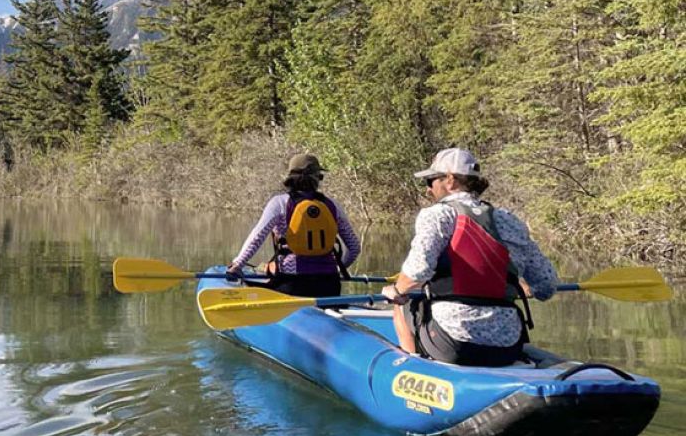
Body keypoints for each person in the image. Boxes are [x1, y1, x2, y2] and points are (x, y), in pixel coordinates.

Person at [381, 147, 557, 366]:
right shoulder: (509, 221)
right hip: (508, 345)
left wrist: (395, 291)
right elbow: (547, 286)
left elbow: (418, 272)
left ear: (450, 180)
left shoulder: (437, 215)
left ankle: (410, 368)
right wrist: (524, 287)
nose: (428, 190)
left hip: (454, 343)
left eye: (431, 181)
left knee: (402, 301)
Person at [226, 152, 361, 298]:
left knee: (261, 285)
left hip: (292, 283)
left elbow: (257, 237)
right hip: (329, 284)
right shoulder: (332, 205)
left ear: (290, 178)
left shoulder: (280, 203)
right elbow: (354, 247)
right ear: (318, 178)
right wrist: (338, 270)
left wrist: (238, 265)